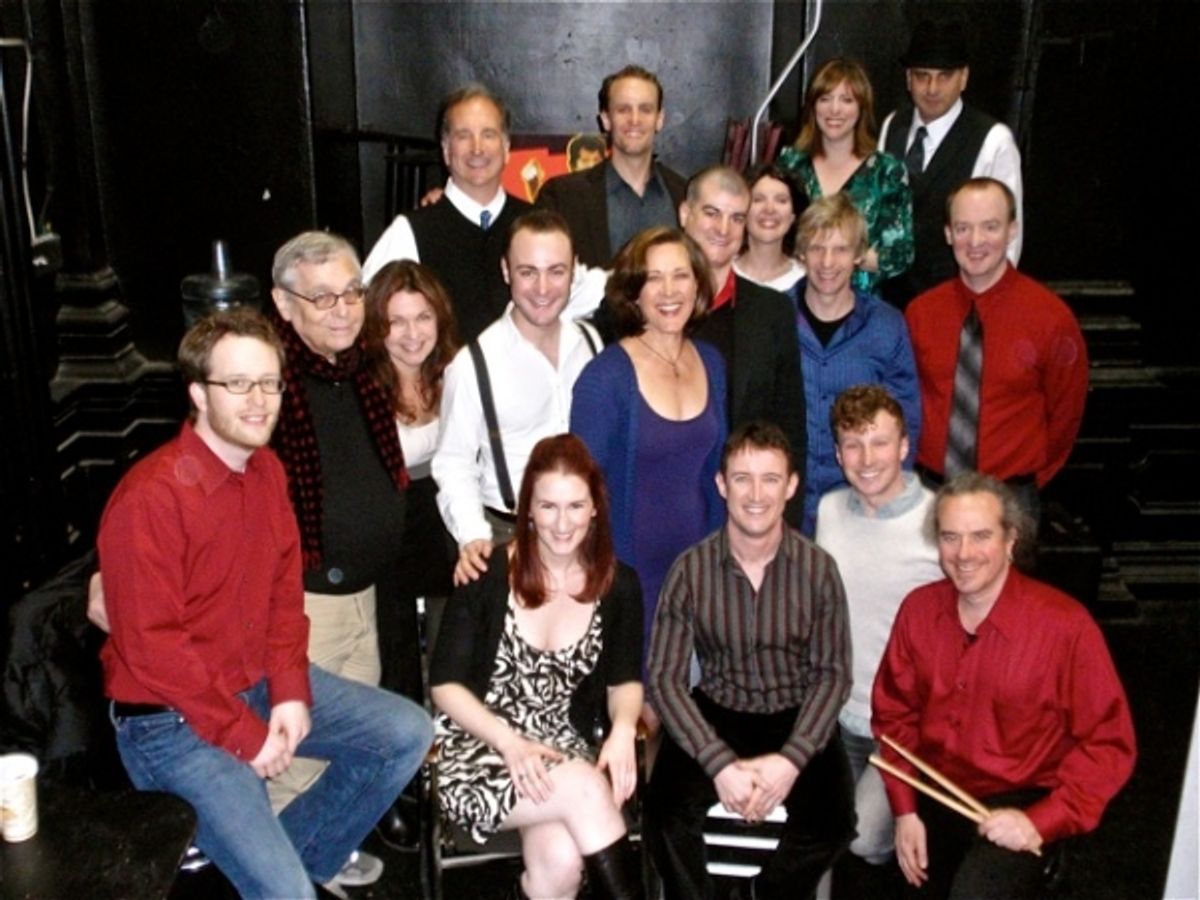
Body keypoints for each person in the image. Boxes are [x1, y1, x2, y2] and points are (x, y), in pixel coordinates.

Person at [98, 309, 433, 900]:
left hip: (251, 681)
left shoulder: (268, 471)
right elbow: (154, 649)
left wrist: (289, 690)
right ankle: (279, 879)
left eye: (270, 383)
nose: (259, 401)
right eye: (238, 384)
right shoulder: (150, 499)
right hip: (168, 721)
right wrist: (245, 735)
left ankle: (294, 859)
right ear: (199, 393)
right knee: (284, 893)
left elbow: (284, 593)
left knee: (406, 732)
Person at [872, 472, 1136, 899]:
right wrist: (905, 813)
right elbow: (893, 719)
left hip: (1022, 797)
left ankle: (1050, 860)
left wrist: (1040, 821)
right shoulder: (918, 610)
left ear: (1011, 540)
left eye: (981, 536)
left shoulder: (1066, 627)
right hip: (937, 789)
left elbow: (1109, 744)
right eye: (950, 537)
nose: (964, 554)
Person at [430, 434, 644, 900]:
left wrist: (625, 727)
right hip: (482, 747)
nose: (562, 524)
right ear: (527, 509)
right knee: (589, 792)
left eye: (574, 507)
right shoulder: (486, 575)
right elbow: (444, 685)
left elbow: (625, 680)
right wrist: (510, 744)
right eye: (548, 507)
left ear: (594, 510)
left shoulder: (618, 584)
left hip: (559, 748)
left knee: (562, 864)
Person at [647, 422, 855, 900]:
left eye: (770, 478)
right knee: (665, 820)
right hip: (717, 709)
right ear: (722, 485)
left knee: (832, 823)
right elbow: (665, 680)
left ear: (792, 485)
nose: (756, 494)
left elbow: (833, 675)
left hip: (796, 712)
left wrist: (791, 761)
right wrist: (720, 765)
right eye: (742, 478)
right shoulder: (690, 569)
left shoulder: (819, 569)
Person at [268, 230, 418, 880]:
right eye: (322, 296)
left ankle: (321, 854)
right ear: (283, 303)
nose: (342, 308)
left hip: (363, 594)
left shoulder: (358, 370)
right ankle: (278, 875)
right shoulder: (269, 384)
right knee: (296, 748)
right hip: (306, 603)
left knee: (352, 744)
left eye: (352, 292)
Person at [571, 227, 727, 675]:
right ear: (633, 294)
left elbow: (717, 477)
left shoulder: (712, 363)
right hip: (629, 580)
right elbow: (583, 493)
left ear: (698, 285)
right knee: (642, 720)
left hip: (698, 577)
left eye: (681, 276)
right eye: (653, 278)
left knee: (692, 713)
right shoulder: (606, 377)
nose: (669, 291)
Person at [814, 385, 942, 896]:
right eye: (852, 445)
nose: (866, 460)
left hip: (905, 728)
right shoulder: (829, 511)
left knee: (863, 838)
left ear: (905, 446)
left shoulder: (939, 520)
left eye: (879, 443)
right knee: (813, 830)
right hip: (837, 716)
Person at [433, 210, 600, 585]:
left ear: (574, 271)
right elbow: (453, 462)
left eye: (556, 271)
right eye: (528, 272)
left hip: (587, 536)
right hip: (509, 537)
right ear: (506, 271)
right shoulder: (473, 364)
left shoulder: (591, 343)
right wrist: (473, 535)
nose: (543, 288)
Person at [904, 177, 1087, 522]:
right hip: (929, 495)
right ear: (947, 233)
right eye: (963, 228)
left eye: (990, 227)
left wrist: (1028, 481)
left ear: (1012, 229)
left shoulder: (1051, 317)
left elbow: (1065, 414)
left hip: (1011, 499)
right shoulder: (921, 313)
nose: (975, 242)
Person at [683, 165, 808, 525]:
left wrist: (788, 526)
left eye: (737, 218)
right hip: (666, 507)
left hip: (745, 515)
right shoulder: (647, 301)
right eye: (711, 214)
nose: (723, 230)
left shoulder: (772, 312)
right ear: (685, 214)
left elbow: (790, 429)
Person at [363, 84, 532, 342]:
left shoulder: (535, 224)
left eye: (488, 134)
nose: (477, 148)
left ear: (507, 147)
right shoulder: (410, 231)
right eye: (463, 135)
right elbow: (369, 316)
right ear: (445, 149)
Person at [793, 194, 920, 535]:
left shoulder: (887, 325)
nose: (827, 262)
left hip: (860, 503)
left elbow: (905, 419)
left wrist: (887, 499)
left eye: (841, 249)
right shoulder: (774, 318)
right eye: (817, 248)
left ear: (859, 255)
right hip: (785, 506)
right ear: (801, 253)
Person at [878, 19, 1023, 304]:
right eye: (922, 75)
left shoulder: (993, 140)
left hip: (957, 304)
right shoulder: (892, 125)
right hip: (890, 302)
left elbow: (1008, 239)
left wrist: (988, 308)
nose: (932, 88)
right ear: (908, 79)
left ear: (964, 78)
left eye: (944, 76)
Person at [361, 259, 461, 654]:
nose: (412, 334)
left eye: (423, 317)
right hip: (389, 552)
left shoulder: (458, 374)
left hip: (448, 544)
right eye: (396, 321)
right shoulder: (362, 390)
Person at [778, 57, 913, 295]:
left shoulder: (886, 171)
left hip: (861, 308)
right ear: (813, 106)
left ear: (862, 108)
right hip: (794, 300)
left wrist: (837, 261)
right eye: (825, 99)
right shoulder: (790, 164)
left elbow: (901, 254)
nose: (834, 110)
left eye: (847, 100)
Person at [538, 65, 687, 270]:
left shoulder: (685, 196)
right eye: (623, 109)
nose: (634, 120)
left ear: (659, 119)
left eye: (645, 109)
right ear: (606, 119)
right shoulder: (563, 198)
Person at [733, 162, 809, 302]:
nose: (769, 209)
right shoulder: (723, 273)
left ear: (793, 215)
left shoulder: (805, 280)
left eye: (781, 200)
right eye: (758, 200)